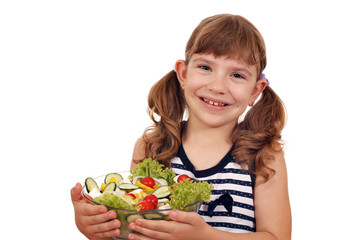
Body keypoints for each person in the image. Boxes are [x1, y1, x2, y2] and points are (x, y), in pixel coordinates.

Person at [71, 13, 291, 240]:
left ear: (255, 90)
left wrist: (205, 236)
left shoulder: (264, 156)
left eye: (236, 74)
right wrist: (100, 229)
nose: (217, 86)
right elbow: (135, 231)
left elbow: (278, 237)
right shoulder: (151, 148)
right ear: (183, 74)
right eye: (205, 67)